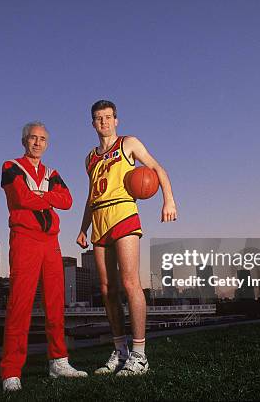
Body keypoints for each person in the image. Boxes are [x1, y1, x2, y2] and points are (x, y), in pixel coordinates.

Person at [76, 100, 177, 376]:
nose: (104, 122)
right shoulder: (90, 158)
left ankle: (140, 355)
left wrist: (168, 200)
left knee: (131, 282)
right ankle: (120, 352)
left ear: (116, 120)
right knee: (108, 289)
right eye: (98, 118)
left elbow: (157, 169)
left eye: (108, 117)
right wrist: (83, 228)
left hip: (123, 213)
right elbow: (91, 195)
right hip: (99, 219)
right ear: (93, 123)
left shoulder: (128, 143)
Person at [0, 121, 87, 392]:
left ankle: (58, 361)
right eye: (33, 138)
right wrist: (49, 197)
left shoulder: (52, 172)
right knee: (20, 305)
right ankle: (11, 372)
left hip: (51, 242)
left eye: (42, 139)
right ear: (24, 140)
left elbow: (69, 200)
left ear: (47, 144)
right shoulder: (10, 166)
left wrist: (41, 194)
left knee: (55, 304)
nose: (37, 143)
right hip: (25, 239)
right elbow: (21, 198)